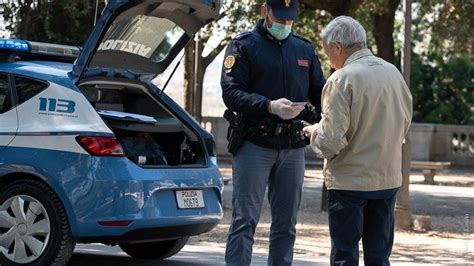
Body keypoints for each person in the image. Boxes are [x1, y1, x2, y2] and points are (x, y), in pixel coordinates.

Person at [220, 0, 325, 265]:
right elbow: (231, 93)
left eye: (290, 20)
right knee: (245, 220)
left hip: (292, 146)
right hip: (255, 144)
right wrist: (269, 106)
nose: (285, 24)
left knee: (286, 224)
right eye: (280, 19)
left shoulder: (303, 48)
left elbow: (321, 94)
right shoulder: (243, 46)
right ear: (265, 11)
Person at [303, 16, 413, 265]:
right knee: (379, 256)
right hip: (387, 179)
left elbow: (331, 140)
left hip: (349, 182)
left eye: (327, 53)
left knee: (345, 255)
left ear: (338, 47)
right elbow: (404, 122)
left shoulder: (341, 79)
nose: (329, 61)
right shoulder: (392, 73)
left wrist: (313, 133)